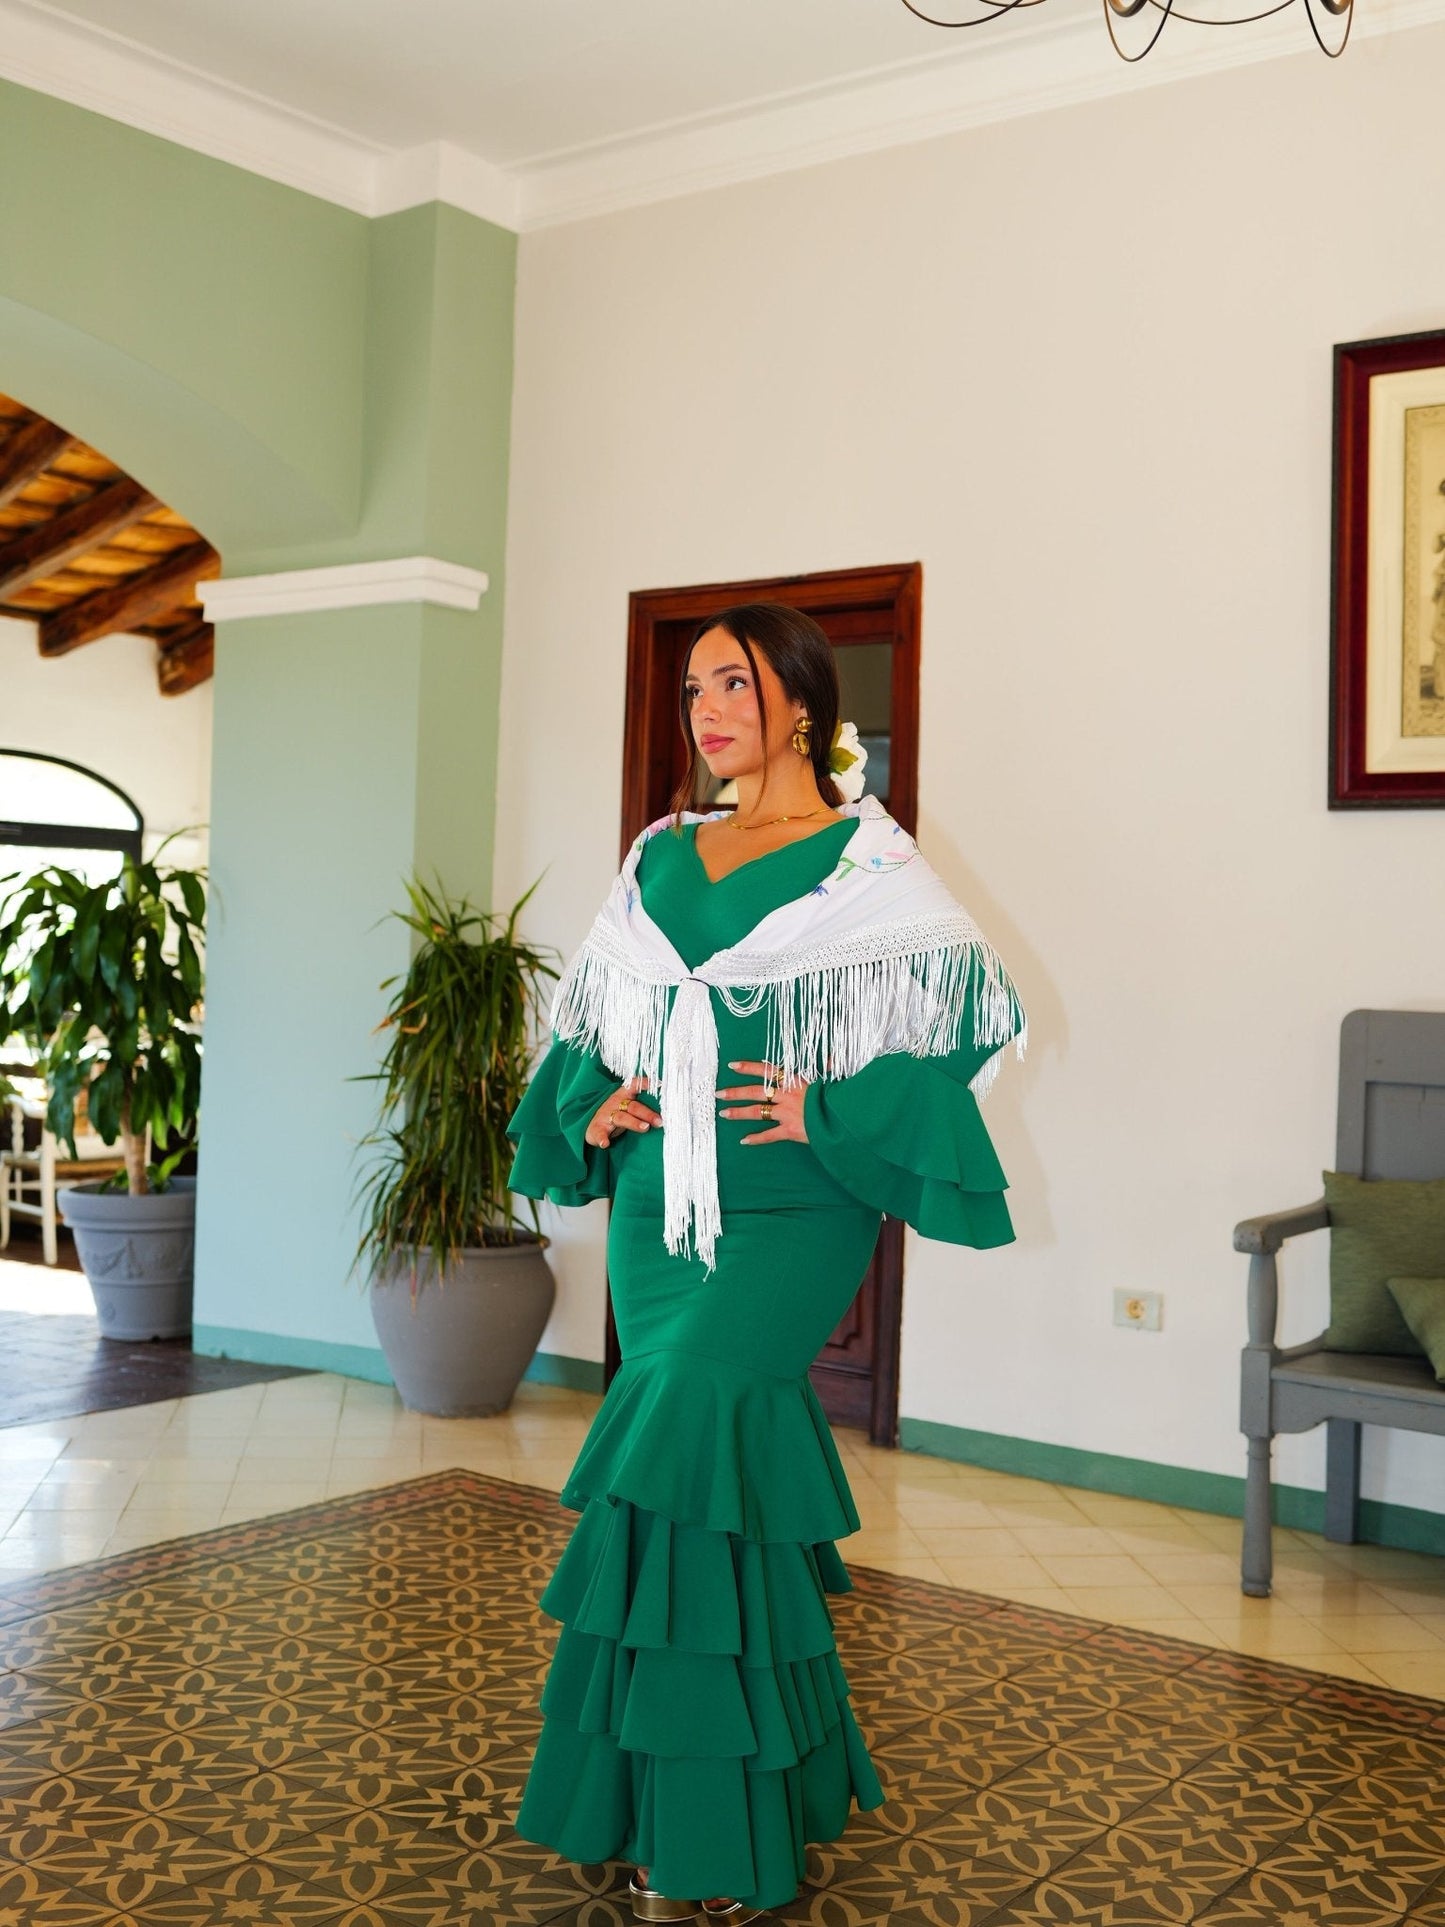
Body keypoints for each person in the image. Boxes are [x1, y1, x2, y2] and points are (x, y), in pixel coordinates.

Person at [506, 601, 1027, 1922]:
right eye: (691, 691)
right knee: (691, 1491)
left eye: (731, 684)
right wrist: (593, 1106)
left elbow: (971, 1024)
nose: (706, 711)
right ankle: (681, 1814)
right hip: (655, 1211)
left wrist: (829, 1108)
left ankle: (705, 1825)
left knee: (687, 1422)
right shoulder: (658, 853)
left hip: (794, 1205)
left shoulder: (869, 864)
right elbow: (595, 1013)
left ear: (800, 699)